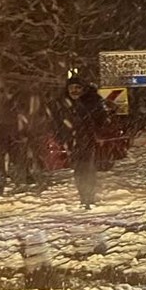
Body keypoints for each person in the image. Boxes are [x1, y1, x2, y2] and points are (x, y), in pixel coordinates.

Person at [51, 76, 109, 209]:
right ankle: (83, 196)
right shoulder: (62, 104)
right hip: (72, 142)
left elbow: (101, 121)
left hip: (89, 140)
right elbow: (57, 122)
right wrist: (61, 137)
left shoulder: (92, 102)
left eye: (78, 88)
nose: (74, 91)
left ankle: (89, 197)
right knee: (78, 170)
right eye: (71, 88)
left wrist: (95, 134)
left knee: (88, 169)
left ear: (83, 89)